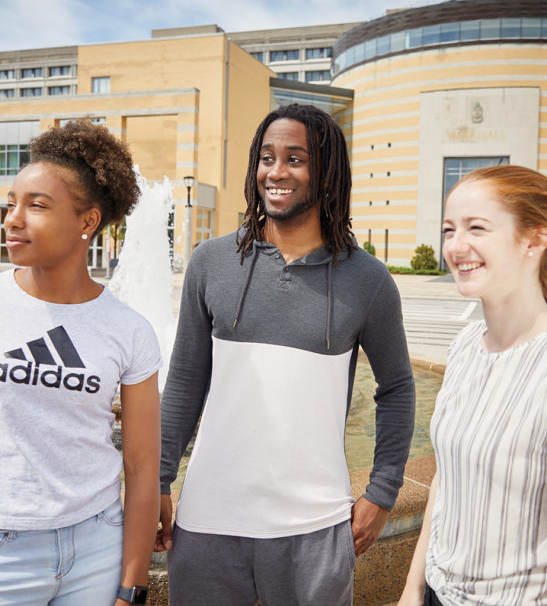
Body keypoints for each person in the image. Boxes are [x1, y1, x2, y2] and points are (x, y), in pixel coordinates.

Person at [156, 103, 416, 605]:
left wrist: (382, 491)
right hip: (209, 521)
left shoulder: (368, 280)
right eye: (267, 157)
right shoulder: (211, 263)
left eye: (296, 159)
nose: (276, 172)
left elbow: (398, 388)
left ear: (326, 172)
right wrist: (160, 479)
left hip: (314, 528)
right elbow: (186, 380)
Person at [0, 120, 162, 606]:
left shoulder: (129, 330)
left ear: (88, 221)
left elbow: (142, 467)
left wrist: (132, 585)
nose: (13, 219)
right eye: (11, 203)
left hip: (96, 547)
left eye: (36, 205)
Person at [398, 165, 547, 606]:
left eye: (477, 228)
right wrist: (412, 591)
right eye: (449, 229)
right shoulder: (467, 346)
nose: (455, 246)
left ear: (535, 239)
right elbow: (447, 485)